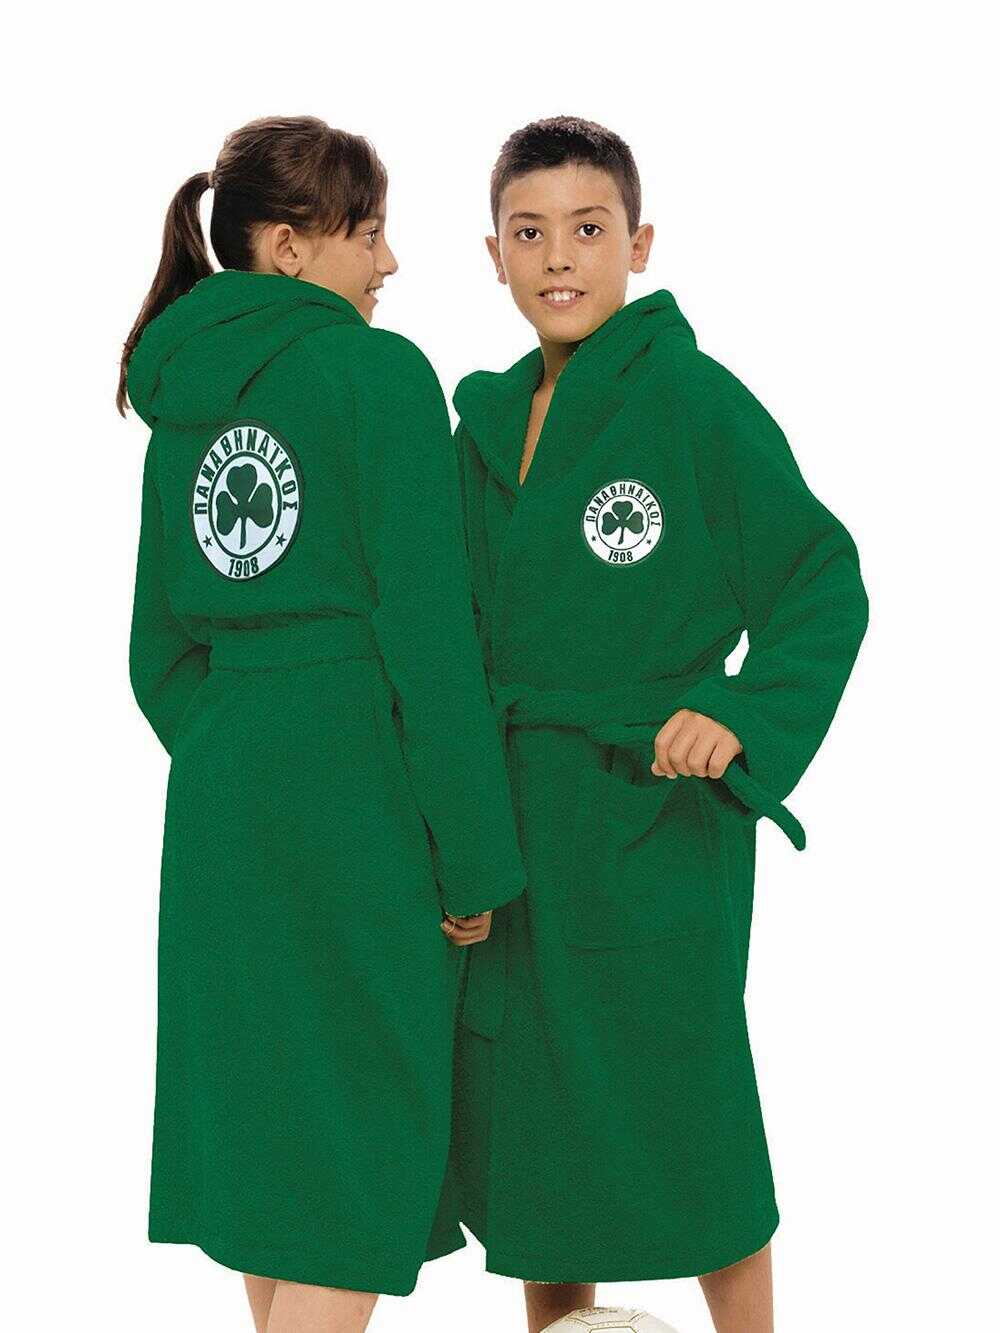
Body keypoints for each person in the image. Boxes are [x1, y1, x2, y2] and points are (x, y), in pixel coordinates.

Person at [439, 115, 869, 1333]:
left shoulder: (692, 401)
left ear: (638, 243)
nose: (558, 257)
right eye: (529, 233)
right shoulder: (481, 427)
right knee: (534, 1107)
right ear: (493, 254)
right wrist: (452, 832)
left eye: (587, 229)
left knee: (687, 1096)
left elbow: (818, 577)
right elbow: (445, 638)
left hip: (648, 814)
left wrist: (736, 712)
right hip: (517, 820)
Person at [120, 115, 525, 1333]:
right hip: (357, 796)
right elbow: (429, 639)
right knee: (356, 1157)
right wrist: (472, 853)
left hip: (221, 805)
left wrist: (246, 740)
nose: (388, 263)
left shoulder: (182, 402)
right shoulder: (376, 375)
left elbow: (157, 655)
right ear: (290, 247)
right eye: (368, 234)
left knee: (272, 1156)